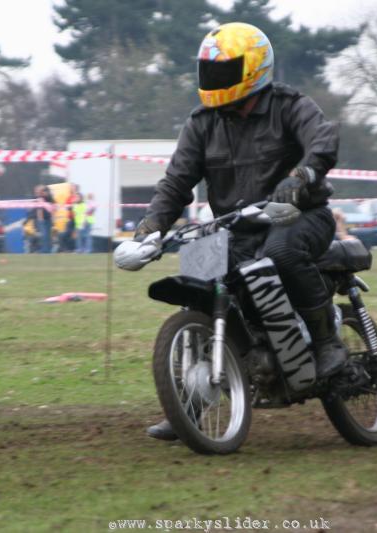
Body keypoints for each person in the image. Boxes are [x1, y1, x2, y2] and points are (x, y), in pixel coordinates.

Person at [135, 22, 346, 441]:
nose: (213, 81)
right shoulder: (201, 123)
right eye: (209, 71)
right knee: (197, 279)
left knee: (281, 254)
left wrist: (301, 175)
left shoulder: (288, 105)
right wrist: (151, 227)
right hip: (236, 226)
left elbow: (323, 137)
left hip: (299, 215)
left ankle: (327, 343)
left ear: (253, 69)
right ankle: (189, 405)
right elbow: (176, 183)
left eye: (224, 71)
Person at [27, 185, 53, 253]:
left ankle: (47, 249)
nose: (38, 191)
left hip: (48, 218)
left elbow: (52, 203)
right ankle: (44, 249)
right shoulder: (36, 198)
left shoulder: (48, 197)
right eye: (37, 190)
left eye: (41, 190)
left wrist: (46, 195)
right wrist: (40, 219)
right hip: (40, 219)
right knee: (43, 235)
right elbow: (36, 208)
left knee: (47, 235)